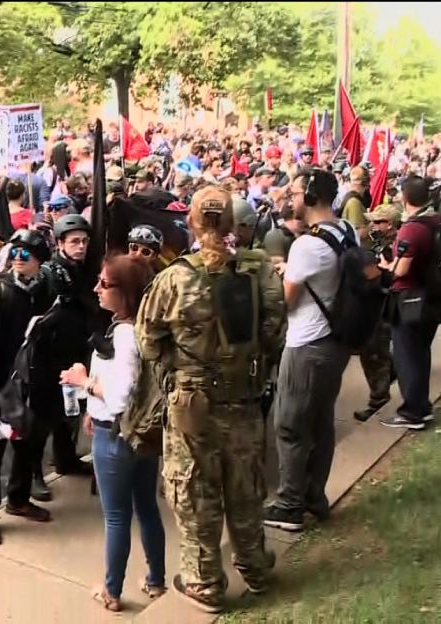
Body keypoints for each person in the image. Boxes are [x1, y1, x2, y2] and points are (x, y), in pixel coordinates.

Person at [136, 186, 284, 612]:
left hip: (191, 407)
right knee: (246, 485)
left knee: (195, 491)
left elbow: (147, 343)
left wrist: (186, 363)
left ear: (194, 224)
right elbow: (275, 335)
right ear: (235, 225)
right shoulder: (261, 274)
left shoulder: (175, 278)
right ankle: (254, 565)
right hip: (245, 398)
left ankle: (204, 583)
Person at [60, 255, 163, 613]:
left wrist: (82, 382)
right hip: (142, 435)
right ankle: (156, 579)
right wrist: (93, 406)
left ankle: (111, 590)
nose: (96, 288)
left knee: (117, 516)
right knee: (147, 507)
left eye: (104, 283)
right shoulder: (143, 328)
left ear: (126, 292)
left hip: (116, 437)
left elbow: (119, 396)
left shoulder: (124, 335)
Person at [265, 168, 351, 533]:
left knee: (290, 425)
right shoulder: (343, 231)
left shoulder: (306, 244)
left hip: (307, 345)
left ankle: (289, 504)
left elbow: (287, 299)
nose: (291, 199)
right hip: (336, 342)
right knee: (320, 422)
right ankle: (315, 496)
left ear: (312, 197)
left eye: (296, 193)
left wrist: (279, 279)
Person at [0, 229, 56, 545]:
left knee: (29, 446)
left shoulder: (45, 291)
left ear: (40, 261)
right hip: (2, 389)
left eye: (26, 254)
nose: (18, 259)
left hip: (34, 385)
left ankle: (18, 499)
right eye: (14, 253)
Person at [32, 214, 97, 501]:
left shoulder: (84, 269)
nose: (81, 246)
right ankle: (33, 475)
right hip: (50, 355)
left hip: (76, 351)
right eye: (74, 242)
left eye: (84, 241)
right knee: (42, 419)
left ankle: (66, 459)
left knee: (68, 413)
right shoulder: (49, 273)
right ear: (60, 243)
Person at [377, 177, 441, 430]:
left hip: (410, 300)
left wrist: (385, 266)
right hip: (428, 297)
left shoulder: (412, 229)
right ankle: (421, 406)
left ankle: (412, 412)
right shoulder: (435, 221)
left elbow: (401, 269)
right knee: (420, 354)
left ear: (405, 198)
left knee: (407, 357)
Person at [353, 203, 401, 422]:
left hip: (385, 304)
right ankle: (393, 371)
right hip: (379, 304)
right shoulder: (381, 243)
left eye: (377, 222)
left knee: (372, 351)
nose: (372, 225)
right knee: (375, 351)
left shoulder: (395, 245)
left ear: (389, 224)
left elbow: (394, 276)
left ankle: (379, 397)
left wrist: (380, 268)